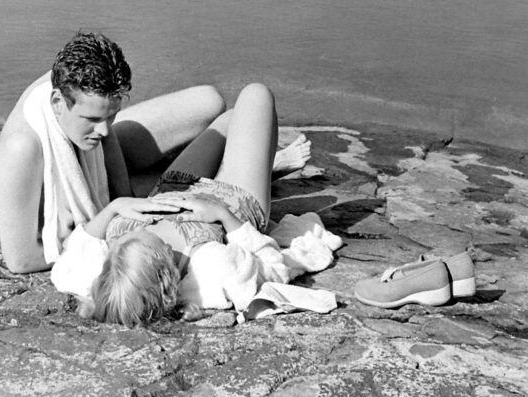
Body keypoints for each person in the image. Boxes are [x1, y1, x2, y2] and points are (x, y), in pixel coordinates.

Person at [50, 82, 328, 326]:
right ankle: (265, 171)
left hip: (173, 186)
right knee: (256, 95)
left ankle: (268, 164)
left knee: (231, 118)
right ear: (166, 273)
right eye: (152, 240)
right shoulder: (212, 270)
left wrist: (115, 207)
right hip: (232, 199)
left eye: (130, 236)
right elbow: (274, 267)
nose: (150, 230)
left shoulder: (108, 281)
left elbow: (70, 257)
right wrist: (223, 216)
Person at [0, 31, 226, 273]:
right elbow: (20, 261)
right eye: (92, 118)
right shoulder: (21, 149)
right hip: (54, 176)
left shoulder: (82, 78)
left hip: (87, 151)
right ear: (57, 102)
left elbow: (106, 134)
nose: (103, 130)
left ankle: (132, 161)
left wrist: (127, 198)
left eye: (111, 115)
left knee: (209, 101)